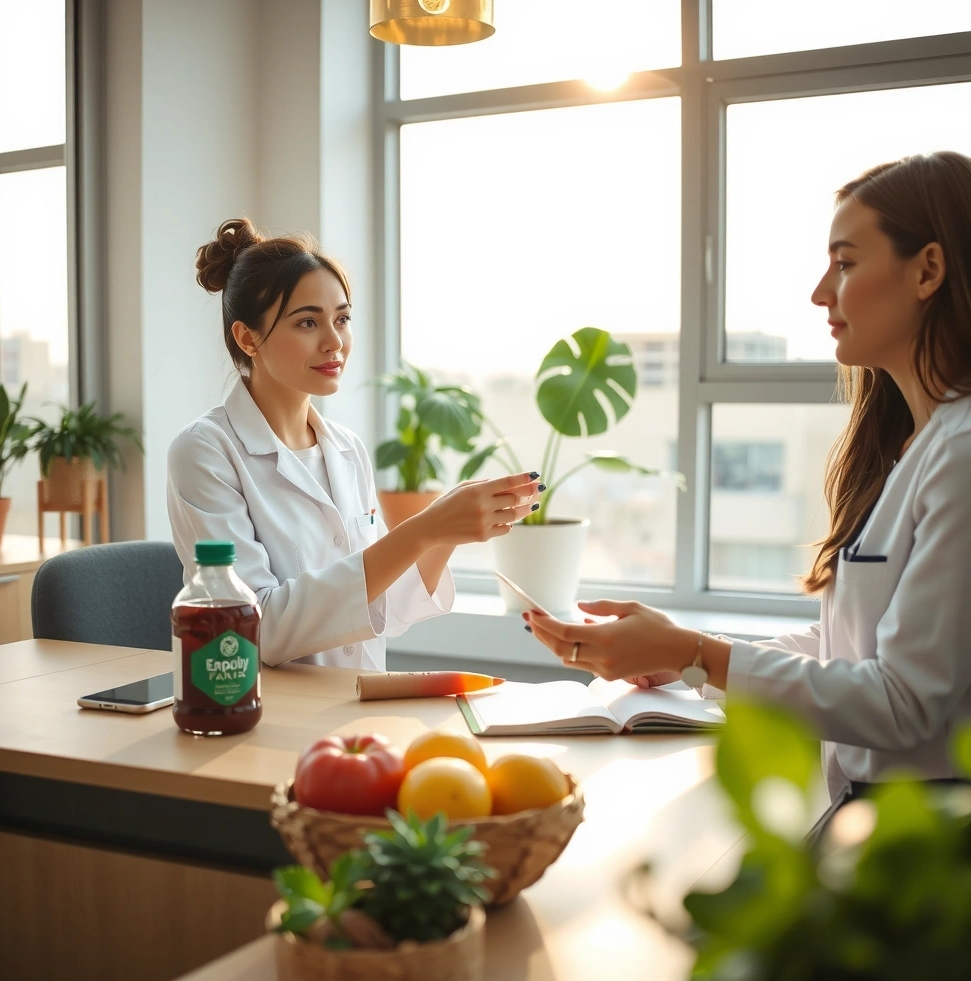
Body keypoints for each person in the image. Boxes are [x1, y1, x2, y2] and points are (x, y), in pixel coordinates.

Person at [526, 151, 971, 807]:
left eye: (845, 264)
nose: (820, 292)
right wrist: (682, 656)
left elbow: (903, 702)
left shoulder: (960, 455)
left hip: (925, 828)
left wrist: (696, 652)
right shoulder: (915, 447)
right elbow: (848, 649)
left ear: (927, 270)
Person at [168, 218, 544, 669]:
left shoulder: (346, 450)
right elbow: (255, 629)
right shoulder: (205, 452)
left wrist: (445, 531)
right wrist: (422, 529)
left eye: (342, 319)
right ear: (248, 338)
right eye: (308, 322)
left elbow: (388, 607)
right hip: (271, 706)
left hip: (357, 701)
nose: (335, 342)